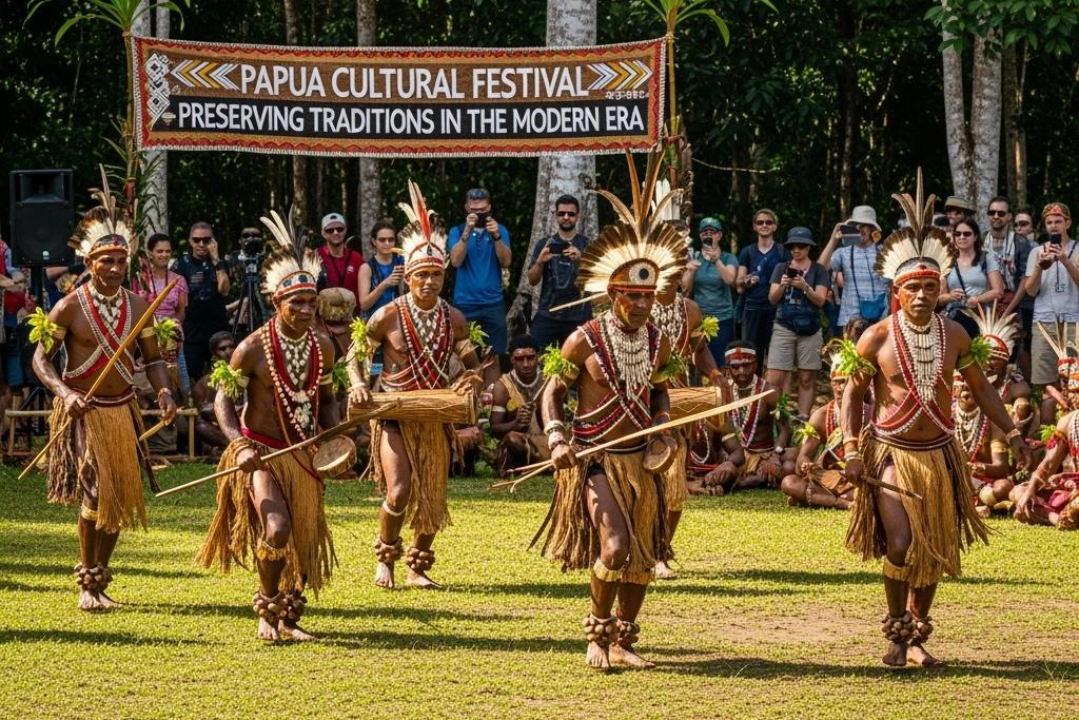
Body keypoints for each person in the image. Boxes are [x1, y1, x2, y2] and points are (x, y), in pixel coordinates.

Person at [842, 176, 1031, 668]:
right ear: (897, 292)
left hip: (941, 452)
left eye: (931, 287)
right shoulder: (876, 338)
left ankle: (917, 634)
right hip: (892, 452)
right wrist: (851, 449)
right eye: (913, 289)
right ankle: (896, 630)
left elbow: (985, 390)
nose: (923, 296)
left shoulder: (957, 336)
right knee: (903, 543)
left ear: (940, 287)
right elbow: (852, 394)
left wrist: (1012, 432)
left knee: (935, 550)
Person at [537, 174, 685, 671]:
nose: (644, 305)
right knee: (617, 547)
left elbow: (662, 388)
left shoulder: (658, 342)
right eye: (633, 296)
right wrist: (557, 437)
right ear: (612, 292)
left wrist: (662, 426)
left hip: (641, 461)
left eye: (650, 297)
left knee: (641, 556)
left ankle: (623, 640)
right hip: (595, 459)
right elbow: (552, 393)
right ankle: (597, 633)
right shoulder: (583, 339)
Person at [31, 187, 177, 611]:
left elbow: (152, 361)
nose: (115, 267)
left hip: (122, 411)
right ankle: (86, 577)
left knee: (120, 498)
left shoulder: (139, 305)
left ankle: (98, 577)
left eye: (121, 260)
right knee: (96, 489)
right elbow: (42, 359)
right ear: (89, 262)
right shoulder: (67, 308)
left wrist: (165, 390)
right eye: (106, 260)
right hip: (84, 410)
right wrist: (63, 393)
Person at [197, 211, 338, 642]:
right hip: (260, 452)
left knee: (304, 534)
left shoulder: (324, 347)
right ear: (277, 302)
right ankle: (266, 605)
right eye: (296, 302)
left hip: (304, 454)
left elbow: (329, 401)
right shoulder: (250, 349)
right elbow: (223, 397)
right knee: (276, 528)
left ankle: (289, 617)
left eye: (311, 302)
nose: (305, 309)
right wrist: (238, 444)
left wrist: (337, 438)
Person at [348, 181, 481, 591]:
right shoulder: (387, 315)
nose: (429, 282)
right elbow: (354, 357)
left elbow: (472, 366)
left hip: (434, 413)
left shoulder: (454, 318)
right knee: (401, 488)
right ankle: (386, 554)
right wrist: (357, 384)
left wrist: (468, 384)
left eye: (436, 275)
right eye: (422, 275)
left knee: (433, 496)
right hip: (394, 412)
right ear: (409, 276)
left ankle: (417, 567)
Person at [650, 272, 740, 579]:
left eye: (671, 274)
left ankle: (661, 550)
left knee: (674, 482)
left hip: (677, 404)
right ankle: (637, 546)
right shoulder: (636, 306)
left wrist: (715, 375)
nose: (665, 279)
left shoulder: (689, 310)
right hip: (639, 401)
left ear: (679, 277)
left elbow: (700, 350)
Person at [780, 350, 868, 510]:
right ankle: (839, 503)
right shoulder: (821, 416)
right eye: (838, 382)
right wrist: (807, 465)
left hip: (855, 480)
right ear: (831, 383)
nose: (841, 388)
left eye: (846, 382)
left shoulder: (869, 413)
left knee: (862, 492)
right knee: (789, 483)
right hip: (827, 479)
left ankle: (820, 499)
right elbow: (804, 457)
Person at [1011, 326, 1079, 529]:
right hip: (1072, 486)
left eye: (1077, 390)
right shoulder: (1068, 422)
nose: (1072, 396)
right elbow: (1048, 464)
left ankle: (1068, 514)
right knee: (1019, 493)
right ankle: (1059, 519)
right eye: (1070, 389)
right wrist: (1031, 489)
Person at [1023, 202, 1079, 425]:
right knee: (1047, 385)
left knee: (1075, 381)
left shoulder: (1077, 249)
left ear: (1068, 223)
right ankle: (1048, 440)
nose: (1054, 226)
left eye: (1058, 221)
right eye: (1049, 223)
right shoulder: (1036, 251)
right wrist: (1039, 267)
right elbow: (1030, 290)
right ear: (1045, 226)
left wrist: (1065, 260)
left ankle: (1073, 434)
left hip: (1074, 321)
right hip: (1044, 322)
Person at [767, 227, 831, 418]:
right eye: (792, 246)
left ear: (809, 248)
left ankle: (803, 419)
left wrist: (805, 287)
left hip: (810, 329)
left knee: (806, 377)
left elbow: (820, 301)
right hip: (783, 326)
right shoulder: (781, 268)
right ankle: (777, 416)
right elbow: (772, 298)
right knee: (775, 377)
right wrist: (784, 285)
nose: (796, 249)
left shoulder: (819, 270)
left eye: (801, 246)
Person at [448, 187, 512, 373]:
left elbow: (506, 262)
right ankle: (467, 398)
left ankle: (491, 399)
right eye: (475, 211)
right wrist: (467, 231)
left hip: (493, 303)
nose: (479, 215)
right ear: (467, 208)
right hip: (464, 304)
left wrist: (496, 236)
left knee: (493, 356)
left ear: (490, 208)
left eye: (483, 211)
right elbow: (455, 260)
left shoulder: (500, 230)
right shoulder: (457, 231)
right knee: (464, 355)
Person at [526, 194, 590, 352]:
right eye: (561, 213)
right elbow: (532, 280)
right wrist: (540, 261)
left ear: (578, 216)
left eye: (571, 214)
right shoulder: (545, 243)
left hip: (579, 316)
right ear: (555, 215)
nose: (566, 217)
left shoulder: (587, 245)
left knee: (579, 365)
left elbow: (597, 279)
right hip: (548, 315)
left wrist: (580, 261)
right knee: (536, 358)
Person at [722, 340, 788, 491]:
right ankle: (753, 480)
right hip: (735, 456)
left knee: (784, 468)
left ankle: (744, 482)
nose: (741, 371)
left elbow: (784, 429)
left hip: (763, 456)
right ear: (727, 369)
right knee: (722, 471)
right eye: (735, 367)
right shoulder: (723, 393)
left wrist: (775, 456)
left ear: (755, 365)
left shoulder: (770, 392)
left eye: (746, 365)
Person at [951, 371, 1014, 517]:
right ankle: (973, 508)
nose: (967, 390)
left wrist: (978, 468)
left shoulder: (993, 420)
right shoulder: (945, 416)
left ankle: (967, 506)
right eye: (964, 387)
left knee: (1003, 487)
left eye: (972, 387)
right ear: (955, 389)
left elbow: (1001, 468)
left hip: (980, 482)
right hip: (952, 477)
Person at [135, 233, 190, 395]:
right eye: (159, 251)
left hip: (171, 337)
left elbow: (181, 314)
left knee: (181, 383)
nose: (164, 255)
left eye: (167, 251)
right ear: (150, 253)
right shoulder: (139, 278)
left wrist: (170, 329)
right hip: (146, 335)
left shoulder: (179, 280)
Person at [174, 221, 230, 381]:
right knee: (193, 375)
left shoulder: (220, 263)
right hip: (192, 332)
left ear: (213, 241)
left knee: (224, 374)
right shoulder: (183, 263)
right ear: (190, 241)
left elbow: (224, 290)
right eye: (197, 240)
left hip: (217, 328)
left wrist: (216, 260)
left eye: (206, 240)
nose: (201, 244)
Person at [682, 216, 738, 366]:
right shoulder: (694, 257)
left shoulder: (728, 258)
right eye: (704, 231)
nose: (707, 234)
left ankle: (721, 389)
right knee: (700, 364)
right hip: (700, 320)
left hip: (723, 319)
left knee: (721, 364)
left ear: (719, 235)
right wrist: (690, 271)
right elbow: (685, 290)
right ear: (700, 236)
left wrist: (716, 260)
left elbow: (730, 280)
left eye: (711, 231)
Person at [820, 205, 888, 328]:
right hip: (851, 320)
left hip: (881, 320)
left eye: (864, 225)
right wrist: (833, 240)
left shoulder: (885, 253)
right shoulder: (843, 252)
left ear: (872, 228)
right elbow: (820, 269)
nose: (859, 228)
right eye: (855, 225)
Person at [489, 335, 547, 476]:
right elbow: (494, 429)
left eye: (530, 358)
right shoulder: (502, 387)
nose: (526, 364)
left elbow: (562, 420)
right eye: (520, 359)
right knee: (512, 439)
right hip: (522, 443)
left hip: (547, 440)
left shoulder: (549, 381)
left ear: (538, 358)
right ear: (512, 360)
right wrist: (516, 423)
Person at [736, 208, 786, 361]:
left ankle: (771, 385)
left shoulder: (783, 251)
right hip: (752, 308)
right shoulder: (747, 251)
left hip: (776, 309)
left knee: (775, 356)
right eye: (760, 222)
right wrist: (746, 281)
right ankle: (752, 385)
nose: (764, 225)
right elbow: (738, 285)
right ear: (754, 226)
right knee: (750, 355)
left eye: (768, 222)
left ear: (774, 226)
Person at [938, 218, 1002, 338]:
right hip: (954, 320)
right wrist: (950, 296)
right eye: (958, 234)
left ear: (976, 237)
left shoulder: (986, 259)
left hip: (981, 320)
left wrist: (977, 299)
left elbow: (998, 291)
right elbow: (940, 298)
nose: (962, 237)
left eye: (967, 234)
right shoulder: (947, 262)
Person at [190, 331, 239, 455]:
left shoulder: (247, 374)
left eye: (232, 346)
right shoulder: (205, 382)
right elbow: (201, 412)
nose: (229, 351)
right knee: (200, 426)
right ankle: (231, 446)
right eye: (223, 348)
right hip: (219, 427)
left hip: (245, 421)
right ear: (214, 354)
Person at [357, 219, 403, 320]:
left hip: (400, 320)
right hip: (375, 322)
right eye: (382, 240)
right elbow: (364, 305)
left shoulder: (402, 261)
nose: (387, 243)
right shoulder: (366, 268)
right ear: (374, 242)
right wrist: (384, 284)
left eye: (391, 240)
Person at [317, 212, 365, 298]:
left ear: (345, 230)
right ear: (323, 233)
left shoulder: (356, 257)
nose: (335, 233)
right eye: (330, 230)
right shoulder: (316, 257)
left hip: (353, 310)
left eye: (340, 229)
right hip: (324, 310)